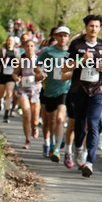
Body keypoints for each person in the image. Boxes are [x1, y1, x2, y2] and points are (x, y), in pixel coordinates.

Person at [61, 14, 102, 177]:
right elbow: (64, 68)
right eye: (91, 26)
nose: (94, 29)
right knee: (79, 124)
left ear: (100, 28)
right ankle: (77, 148)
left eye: (96, 26)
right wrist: (81, 60)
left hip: (97, 92)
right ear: (86, 27)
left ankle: (90, 161)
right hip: (79, 90)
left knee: (93, 124)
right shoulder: (77, 45)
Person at [37, 26, 71, 161]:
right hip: (50, 89)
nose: (62, 38)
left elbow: (77, 67)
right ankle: (51, 142)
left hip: (65, 89)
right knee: (51, 120)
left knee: (60, 119)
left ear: (68, 38)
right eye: (60, 35)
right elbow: (37, 65)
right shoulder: (48, 51)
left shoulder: (71, 52)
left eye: (65, 36)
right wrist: (40, 73)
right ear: (56, 37)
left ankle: (57, 149)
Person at [12, 35, 44, 147]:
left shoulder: (39, 60)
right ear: (24, 48)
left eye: (31, 46)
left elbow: (43, 74)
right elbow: (14, 73)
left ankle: (34, 127)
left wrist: (41, 77)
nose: (29, 48)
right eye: (27, 46)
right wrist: (16, 78)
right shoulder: (21, 60)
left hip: (35, 90)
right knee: (26, 113)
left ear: (35, 48)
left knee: (35, 120)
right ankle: (27, 139)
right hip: (23, 90)